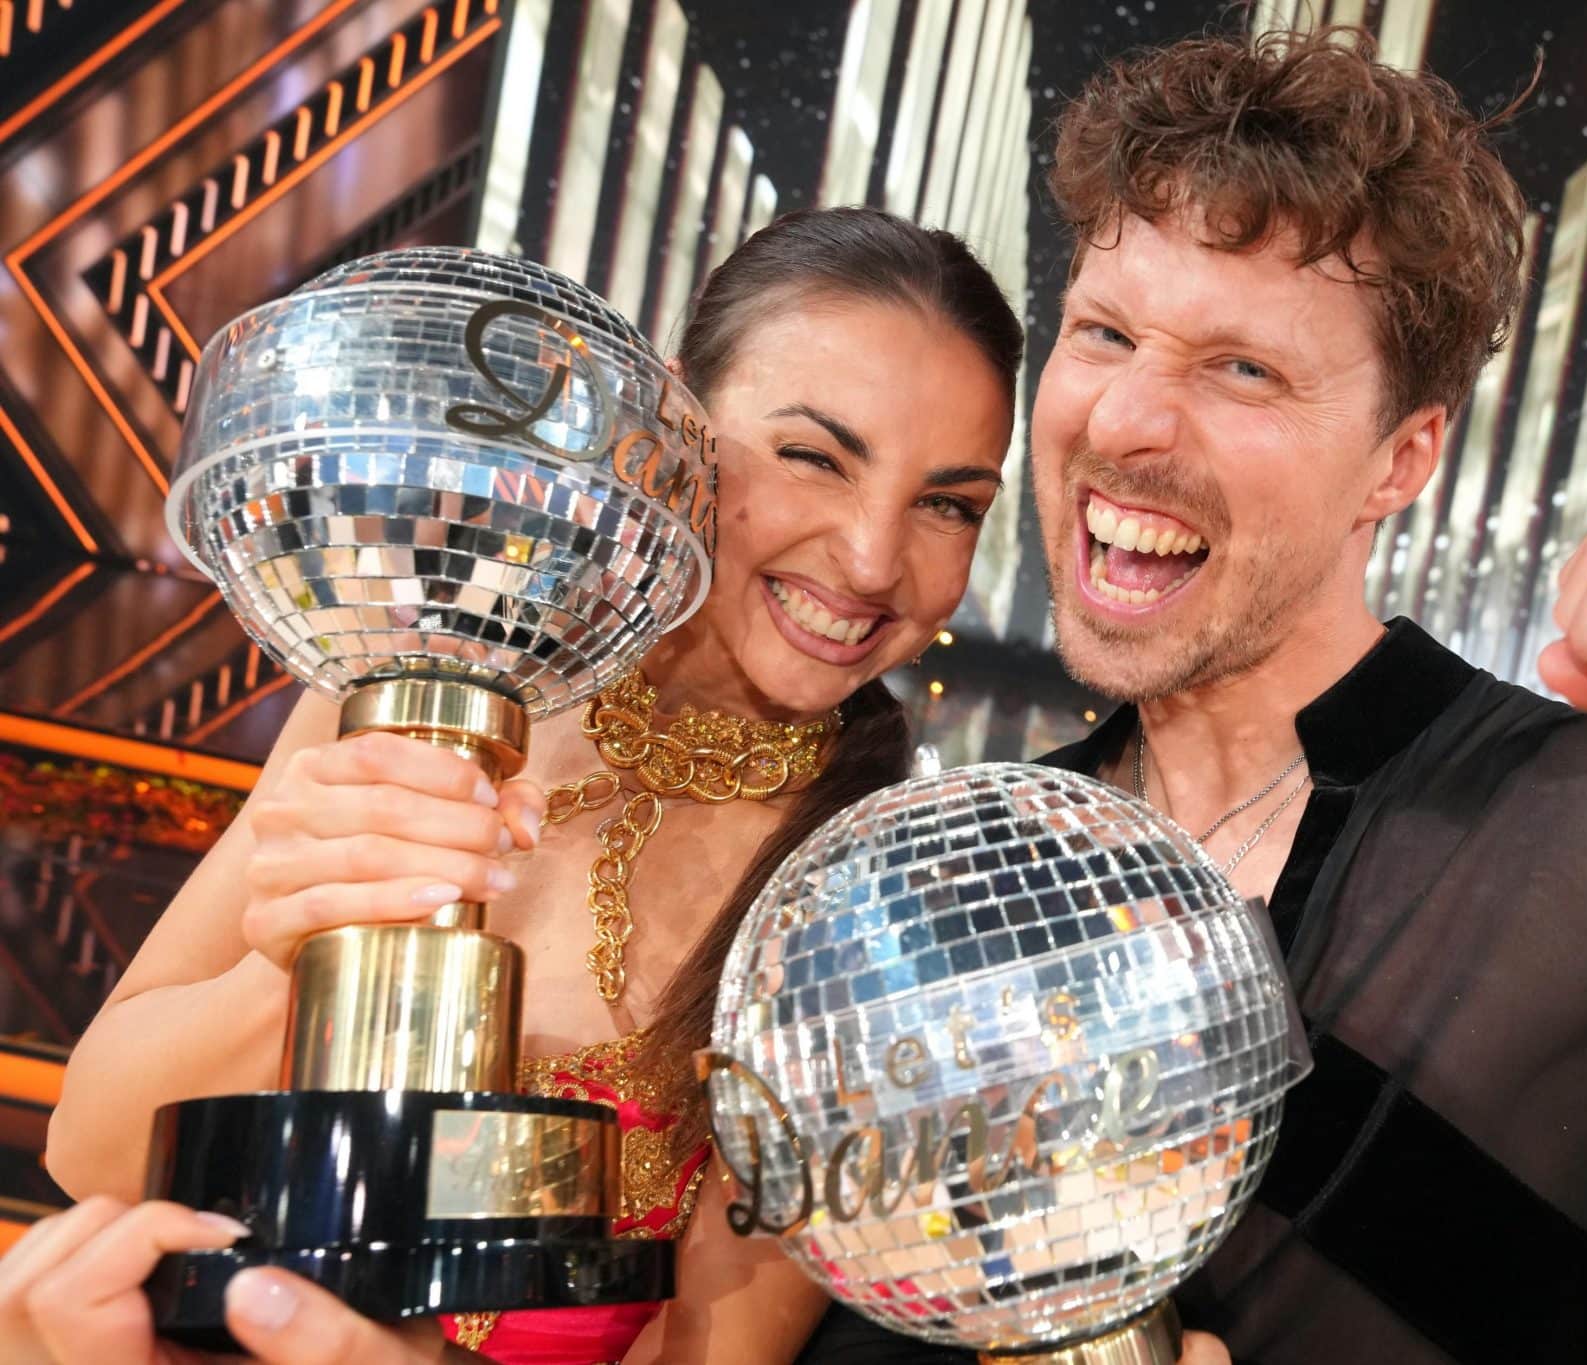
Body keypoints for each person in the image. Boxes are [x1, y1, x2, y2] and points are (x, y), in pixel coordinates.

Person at [791, 26, 1587, 1365]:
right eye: (1105, 333)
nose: (1122, 421)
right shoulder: (954, 878)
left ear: (1401, 459)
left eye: (1241, 368)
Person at [31, 205, 1024, 1364]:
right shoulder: (439, 669)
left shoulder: (874, 913)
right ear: (671, 424)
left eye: (947, 504)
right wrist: (296, 958)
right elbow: (94, 1151)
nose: (870, 559)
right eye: (812, 457)